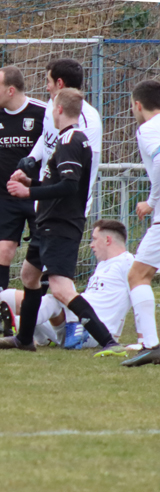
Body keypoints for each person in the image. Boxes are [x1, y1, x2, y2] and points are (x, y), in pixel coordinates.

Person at [0, 88, 125, 357]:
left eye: (52, 108)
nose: (50, 112)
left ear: (59, 110)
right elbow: (61, 184)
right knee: (29, 275)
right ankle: (25, 338)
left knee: (61, 289)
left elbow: (68, 186)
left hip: (61, 223)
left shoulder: (70, 142)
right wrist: (33, 183)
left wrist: (28, 192)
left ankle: (109, 342)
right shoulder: (72, 138)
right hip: (49, 221)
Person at [0, 66, 46, 335]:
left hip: (37, 194)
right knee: (3, 250)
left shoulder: (42, 113)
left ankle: (46, 312)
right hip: (6, 196)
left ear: (10, 90)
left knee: (44, 255)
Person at [0, 220, 136, 349]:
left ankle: (18, 325)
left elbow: (139, 299)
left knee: (56, 295)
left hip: (94, 332)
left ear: (108, 240)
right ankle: (42, 337)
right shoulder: (103, 264)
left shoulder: (128, 262)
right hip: (73, 325)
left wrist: (143, 341)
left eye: (94, 239)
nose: (91, 244)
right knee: (4, 296)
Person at [20, 59, 103, 216]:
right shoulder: (53, 106)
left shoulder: (88, 120)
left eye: (48, 81)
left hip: (67, 208)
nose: (46, 87)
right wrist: (32, 157)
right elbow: (46, 138)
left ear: (59, 83)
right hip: (45, 197)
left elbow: (88, 168)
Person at [122, 80, 160, 367]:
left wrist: (152, 200)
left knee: (138, 275)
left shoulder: (148, 129)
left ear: (138, 105)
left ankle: (151, 345)